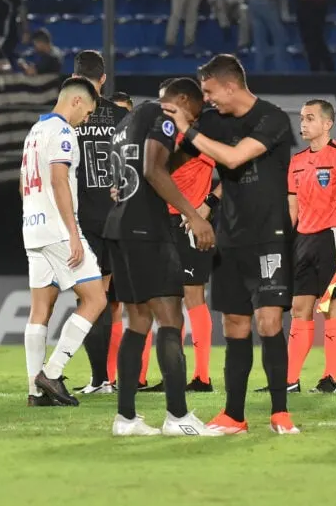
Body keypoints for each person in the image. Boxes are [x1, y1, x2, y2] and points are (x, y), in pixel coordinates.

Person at [160, 54, 298, 435]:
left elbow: (235, 159)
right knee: (234, 324)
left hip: (268, 235)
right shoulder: (211, 124)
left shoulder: (272, 118)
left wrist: (188, 130)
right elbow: (172, 159)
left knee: (269, 321)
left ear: (229, 85)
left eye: (208, 91)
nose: (206, 99)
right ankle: (234, 415)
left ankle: (280, 412)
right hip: (229, 237)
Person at [106, 78, 218, 436]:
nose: (191, 122)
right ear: (183, 100)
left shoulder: (127, 122)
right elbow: (154, 170)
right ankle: (178, 416)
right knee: (170, 320)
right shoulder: (164, 115)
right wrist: (195, 215)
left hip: (119, 227)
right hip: (147, 229)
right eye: (194, 113)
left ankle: (125, 419)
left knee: (137, 321)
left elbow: (124, 178)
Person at [21, 78, 107, 407]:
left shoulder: (34, 132)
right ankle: (52, 372)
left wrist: (32, 220)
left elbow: (23, 185)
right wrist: (73, 233)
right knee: (96, 298)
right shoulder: (61, 132)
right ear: (75, 101)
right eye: (86, 112)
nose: (85, 120)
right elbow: (59, 180)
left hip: (33, 227)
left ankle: (34, 391)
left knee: (40, 309)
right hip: (58, 228)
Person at [281, 99, 336, 394]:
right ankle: (290, 380)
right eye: (302, 118)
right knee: (299, 307)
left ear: (327, 124)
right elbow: (292, 208)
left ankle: (330, 379)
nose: (303, 123)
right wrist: (284, 242)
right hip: (302, 240)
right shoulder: (297, 161)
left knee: (330, 307)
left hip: (331, 239)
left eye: (310, 118)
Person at [62, 51, 129, 396]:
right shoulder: (122, 116)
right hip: (121, 219)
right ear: (103, 79)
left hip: (83, 221)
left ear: (74, 76)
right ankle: (125, 377)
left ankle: (100, 377)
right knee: (125, 302)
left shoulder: (67, 117)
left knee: (90, 300)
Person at [159, 77, 218, 393]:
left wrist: (207, 205)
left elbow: (232, 172)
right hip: (161, 222)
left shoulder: (201, 136)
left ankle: (202, 376)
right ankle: (168, 375)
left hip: (189, 223)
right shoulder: (167, 133)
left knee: (194, 296)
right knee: (163, 300)